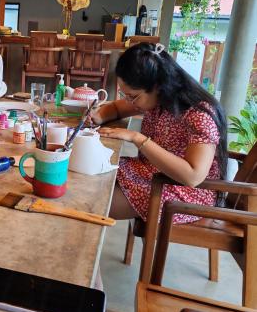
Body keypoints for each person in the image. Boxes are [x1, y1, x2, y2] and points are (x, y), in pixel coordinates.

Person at [92, 43, 227, 224]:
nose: (129, 101)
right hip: (152, 174)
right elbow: (116, 108)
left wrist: (137, 138)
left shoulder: (199, 114)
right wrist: (97, 117)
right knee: (89, 175)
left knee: (91, 202)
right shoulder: (160, 97)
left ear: (156, 86)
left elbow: (192, 176)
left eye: (133, 96)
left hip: (185, 193)